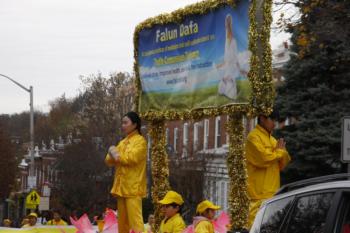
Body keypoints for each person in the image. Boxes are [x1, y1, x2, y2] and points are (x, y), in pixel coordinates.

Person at [245, 111, 291, 228]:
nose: (274, 124)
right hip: (258, 195)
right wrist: (278, 152)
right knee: (256, 227)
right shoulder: (253, 137)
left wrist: (278, 153)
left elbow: (284, 161)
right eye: (272, 120)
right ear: (262, 118)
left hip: (272, 193)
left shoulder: (272, 140)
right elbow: (263, 159)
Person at [105, 111, 147, 233]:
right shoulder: (123, 142)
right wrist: (113, 153)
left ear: (134, 125)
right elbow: (108, 160)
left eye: (125, 123)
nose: (123, 125)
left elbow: (131, 158)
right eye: (122, 123)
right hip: (121, 188)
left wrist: (114, 153)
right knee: (122, 224)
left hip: (133, 188)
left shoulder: (140, 141)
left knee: (136, 222)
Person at [216, 14, 247, 100]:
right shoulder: (230, 42)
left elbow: (229, 34)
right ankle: (225, 93)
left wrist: (228, 24)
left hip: (231, 65)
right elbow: (229, 59)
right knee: (227, 79)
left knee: (228, 79)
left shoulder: (231, 41)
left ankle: (230, 95)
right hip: (230, 64)